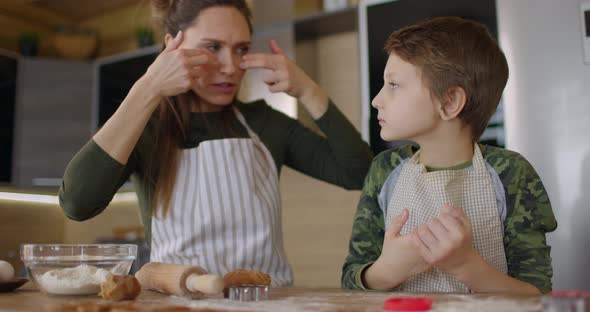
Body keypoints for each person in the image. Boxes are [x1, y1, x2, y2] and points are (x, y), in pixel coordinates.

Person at [59, 0, 372, 287]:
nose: (231, 66)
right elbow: (77, 203)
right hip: (177, 307)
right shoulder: (148, 130)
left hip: (266, 305)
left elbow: (360, 173)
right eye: (213, 47)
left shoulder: (265, 123)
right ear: (172, 47)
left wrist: (307, 90)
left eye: (241, 49)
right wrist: (149, 87)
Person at [341, 17, 557, 294]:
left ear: (450, 102)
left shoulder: (511, 173)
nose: (377, 100)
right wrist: (388, 270)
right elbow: (351, 279)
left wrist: (465, 265)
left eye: (393, 85)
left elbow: (537, 295)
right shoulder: (384, 170)